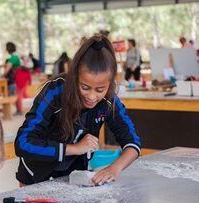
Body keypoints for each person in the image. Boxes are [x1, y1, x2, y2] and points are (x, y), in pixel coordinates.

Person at [14, 35, 141, 186]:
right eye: (85, 87)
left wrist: (114, 168)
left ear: (110, 83)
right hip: (36, 175)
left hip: (73, 177)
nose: (92, 96)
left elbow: (132, 143)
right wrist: (75, 148)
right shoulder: (54, 92)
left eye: (100, 89)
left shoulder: (109, 100)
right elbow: (23, 143)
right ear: (75, 76)